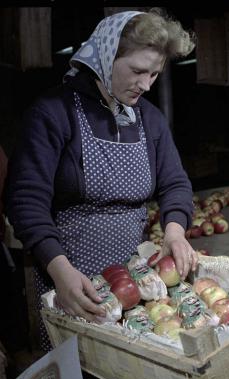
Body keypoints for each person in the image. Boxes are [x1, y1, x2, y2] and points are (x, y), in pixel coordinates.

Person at [5, 9, 198, 351]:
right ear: (105, 56)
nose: (146, 85)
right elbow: (25, 200)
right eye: (138, 71)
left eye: (154, 74)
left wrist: (175, 231)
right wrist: (60, 272)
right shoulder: (54, 113)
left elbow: (175, 183)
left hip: (137, 283)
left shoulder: (149, 120)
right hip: (70, 280)